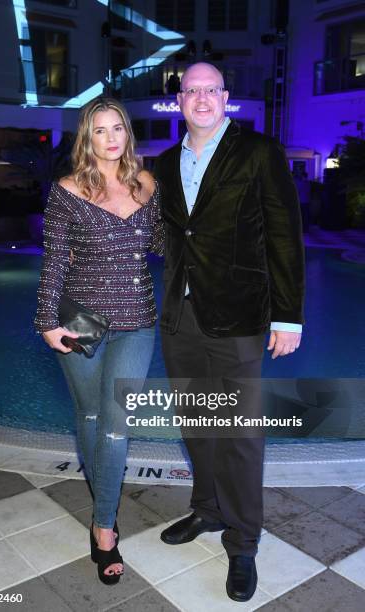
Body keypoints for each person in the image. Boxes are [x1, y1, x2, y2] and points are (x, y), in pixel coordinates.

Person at [154, 63, 305, 602]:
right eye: (190, 90)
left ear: (225, 97)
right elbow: (168, 237)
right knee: (197, 424)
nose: (200, 98)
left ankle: (243, 543)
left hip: (240, 316)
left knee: (239, 435)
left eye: (209, 90)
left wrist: (287, 316)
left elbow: (286, 236)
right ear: (179, 100)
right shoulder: (166, 162)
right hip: (181, 317)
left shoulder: (259, 152)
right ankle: (209, 510)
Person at [35, 97, 163, 585]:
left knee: (115, 424)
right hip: (81, 323)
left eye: (118, 129)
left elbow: (162, 244)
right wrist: (47, 321)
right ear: (86, 139)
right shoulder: (67, 190)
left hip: (137, 320)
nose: (111, 139)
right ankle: (103, 489)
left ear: (128, 133)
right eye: (100, 131)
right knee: (88, 414)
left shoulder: (147, 185)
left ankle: (103, 525)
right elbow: (54, 262)